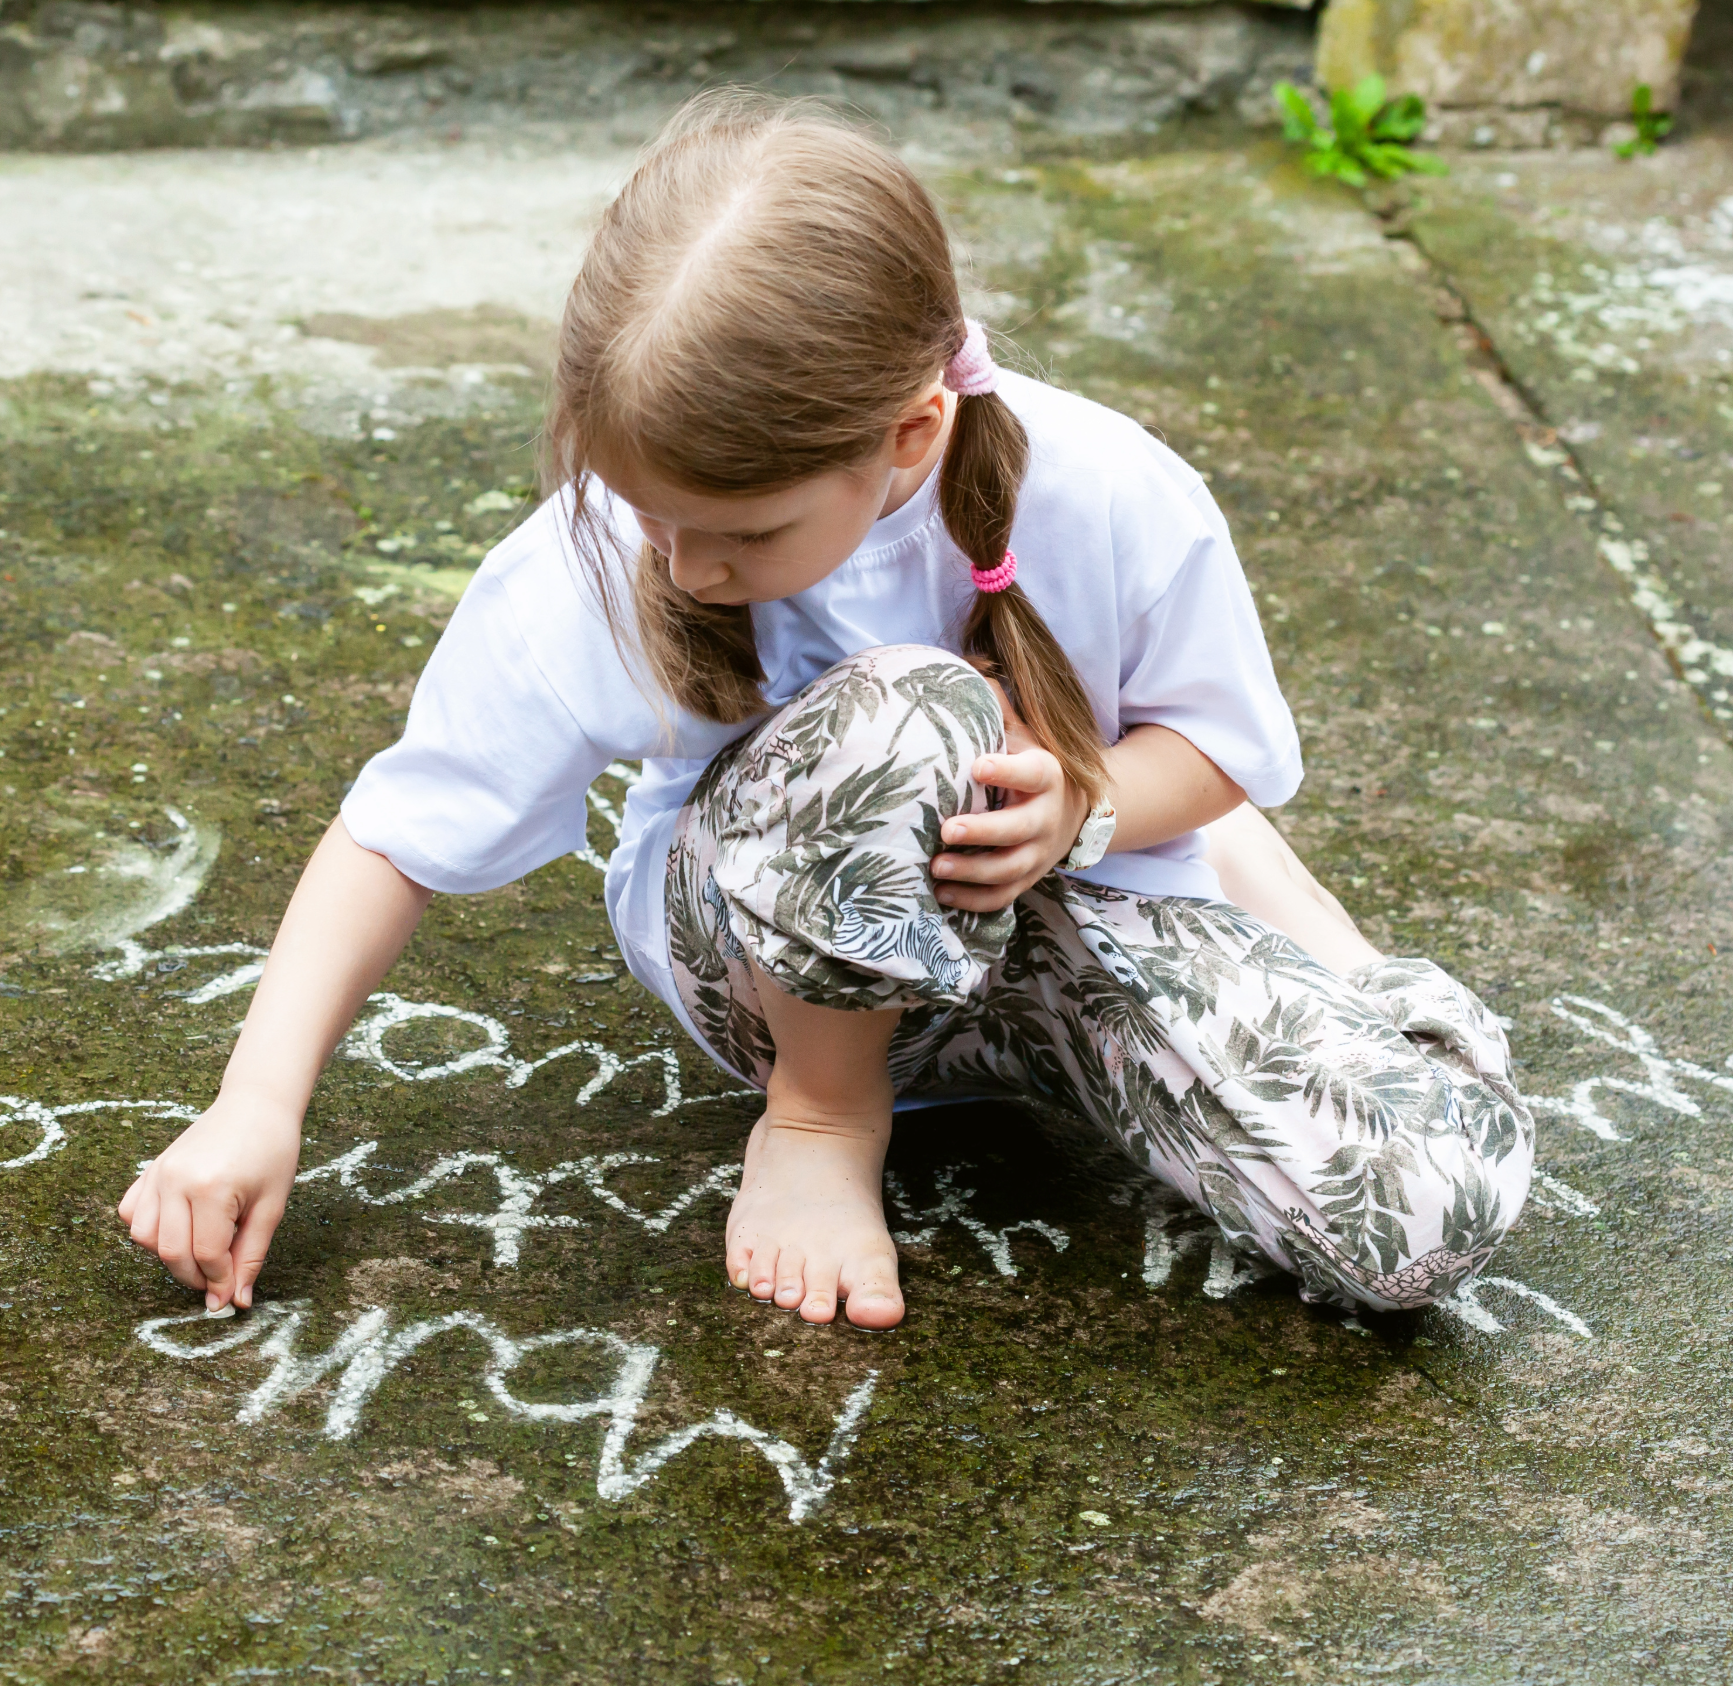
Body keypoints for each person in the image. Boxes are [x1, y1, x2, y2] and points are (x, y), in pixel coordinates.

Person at [120, 90, 1533, 1329]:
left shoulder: (1105, 491)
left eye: (738, 531)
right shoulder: (601, 557)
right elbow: (401, 832)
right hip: (761, 968)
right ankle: (822, 1118)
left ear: (910, 430)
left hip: (1051, 929)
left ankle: (1302, 934)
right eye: (651, 514)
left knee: (1423, 1217)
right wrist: (256, 1104)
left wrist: (1087, 809)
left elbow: (1223, 747)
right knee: (912, 710)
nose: (685, 564)